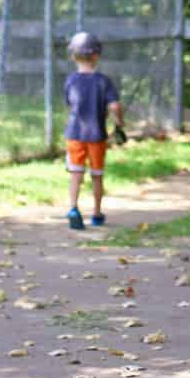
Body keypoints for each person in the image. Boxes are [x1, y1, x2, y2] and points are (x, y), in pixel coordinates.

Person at [63, 30, 125, 230]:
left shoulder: (71, 80)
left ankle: (73, 208)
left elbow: (69, 105)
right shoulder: (103, 81)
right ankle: (96, 214)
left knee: (75, 173)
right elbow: (114, 106)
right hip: (97, 136)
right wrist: (119, 122)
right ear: (96, 55)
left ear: (73, 55)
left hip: (74, 135)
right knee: (97, 175)